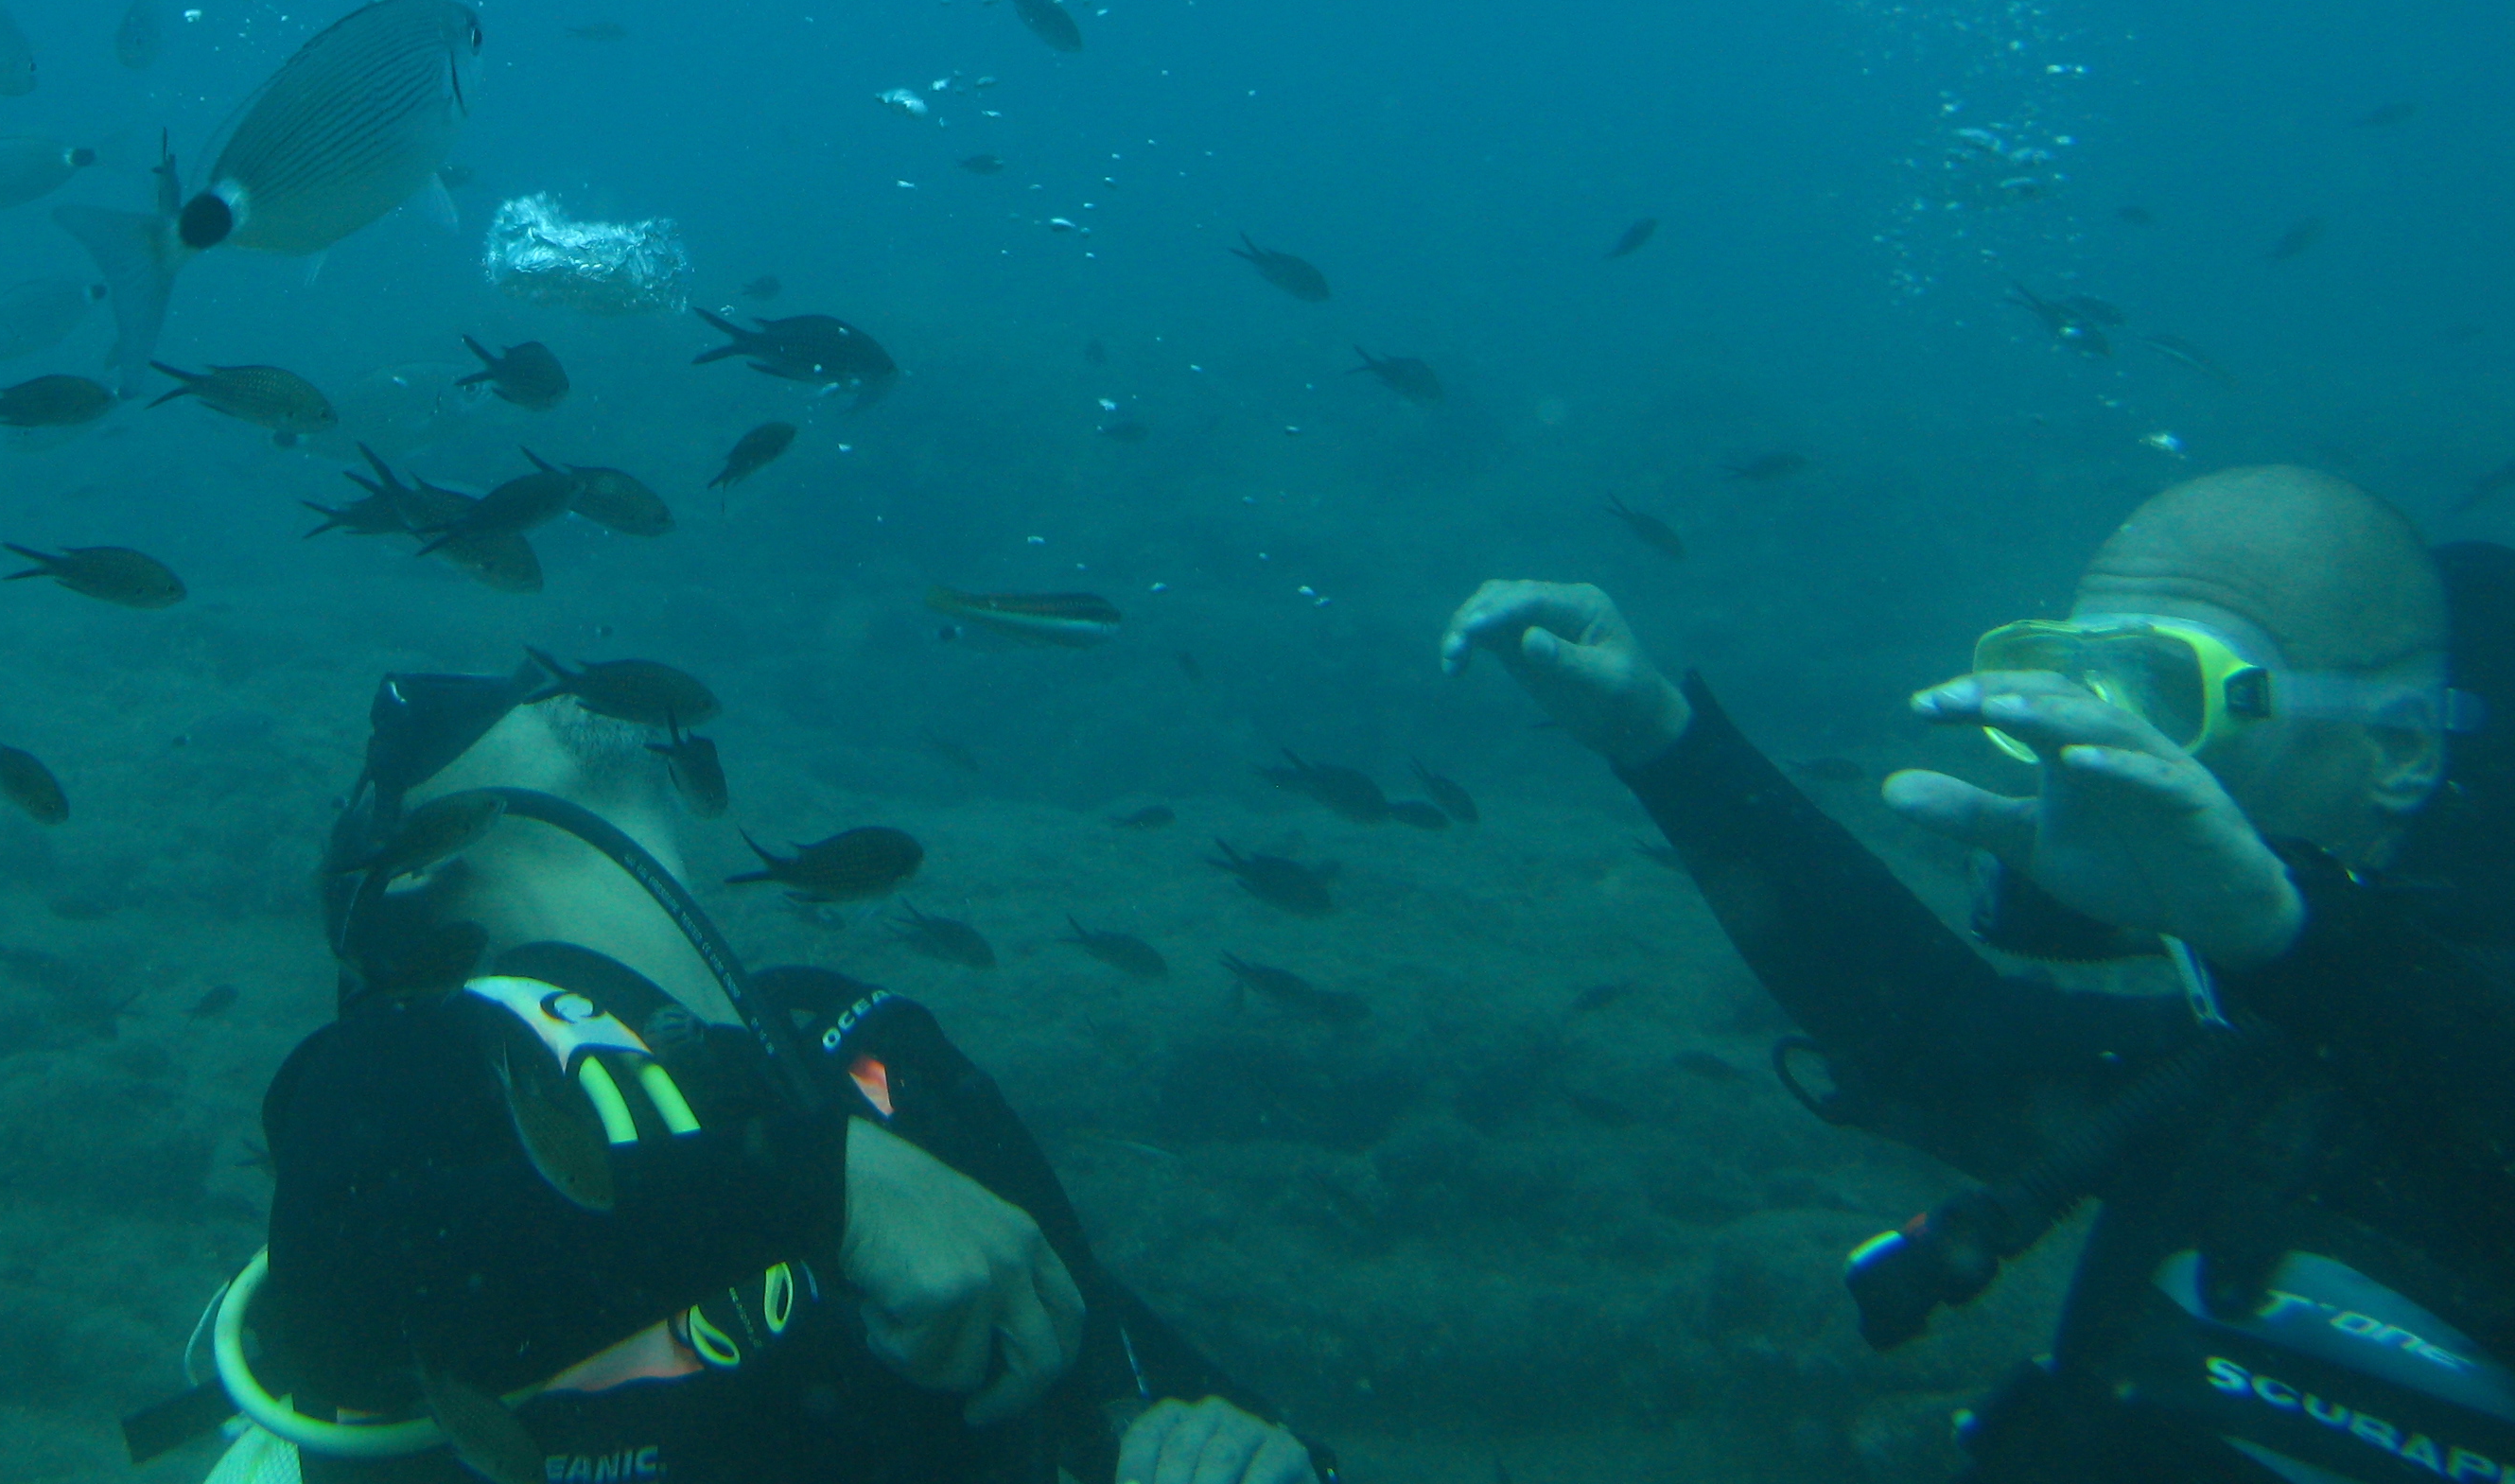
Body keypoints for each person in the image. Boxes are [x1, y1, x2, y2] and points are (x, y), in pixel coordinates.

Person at [1439, 463, 2515, 1482]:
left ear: (2402, 748)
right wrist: (1660, 742)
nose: (2084, 738)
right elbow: (1937, 1048)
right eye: (2069, 677)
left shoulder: (2427, 1060)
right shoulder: (2241, 1070)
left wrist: (2284, 934)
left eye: (2157, 686)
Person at [151, 657, 1326, 1484]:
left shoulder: (851, 1038)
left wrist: (1237, 1450)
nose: (548, 672)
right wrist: (816, 1188)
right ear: (409, 860)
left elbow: (1108, 1360)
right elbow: (353, 1279)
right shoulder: (427, 1044)